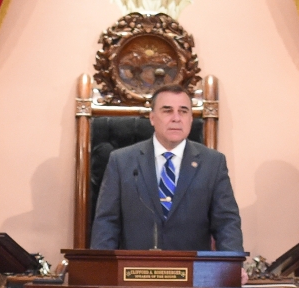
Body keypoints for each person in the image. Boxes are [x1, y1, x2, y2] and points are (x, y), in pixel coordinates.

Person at [89, 84, 243, 252]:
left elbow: (226, 223)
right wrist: (101, 269)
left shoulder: (212, 163)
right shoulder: (121, 161)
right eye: (167, 111)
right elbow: (106, 223)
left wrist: (231, 268)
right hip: (135, 271)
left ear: (191, 118)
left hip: (194, 272)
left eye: (183, 111)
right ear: (152, 118)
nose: (176, 118)